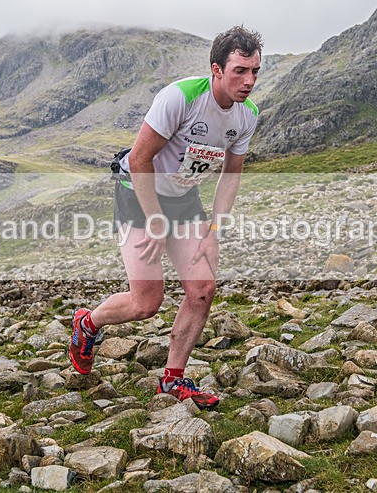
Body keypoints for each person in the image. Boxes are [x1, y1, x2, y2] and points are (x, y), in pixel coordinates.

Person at [69, 25, 263, 410]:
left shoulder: (247, 114)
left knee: (202, 288)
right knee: (146, 303)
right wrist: (155, 219)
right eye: (240, 70)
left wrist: (214, 230)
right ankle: (88, 324)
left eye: (255, 71)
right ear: (217, 69)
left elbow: (232, 172)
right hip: (137, 193)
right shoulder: (181, 97)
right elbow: (140, 159)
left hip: (183, 198)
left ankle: (172, 381)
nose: (249, 81)